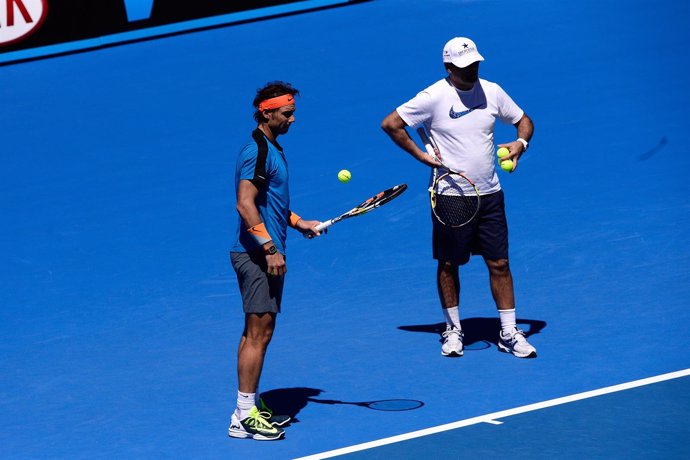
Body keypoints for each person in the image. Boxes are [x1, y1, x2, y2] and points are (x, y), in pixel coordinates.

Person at [381, 37, 537, 359]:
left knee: (500, 263)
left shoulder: (492, 91)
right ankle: (453, 329)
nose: (472, 71)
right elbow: (391, 124)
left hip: (490, 193)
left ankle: (508, 332)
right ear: (449, 67)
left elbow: (524, 120)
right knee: (449, 264)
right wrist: (419, 155)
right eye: (465, 67)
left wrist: (519, 144)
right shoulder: (434, 96)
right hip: (450, 196)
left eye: (475, 65)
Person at [228, 81, 324, 440]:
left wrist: (299, 224)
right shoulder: (257, 151)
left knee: (256, 333)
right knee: (259, 334)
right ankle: (243, 416)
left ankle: (247, 406)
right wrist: (270, 248)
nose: (293, 119)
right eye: (287, 113)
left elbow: (272, 203)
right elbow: (245, 202)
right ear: (267, 113)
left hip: (261, 252)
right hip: (256, 256)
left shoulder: (271, 147)